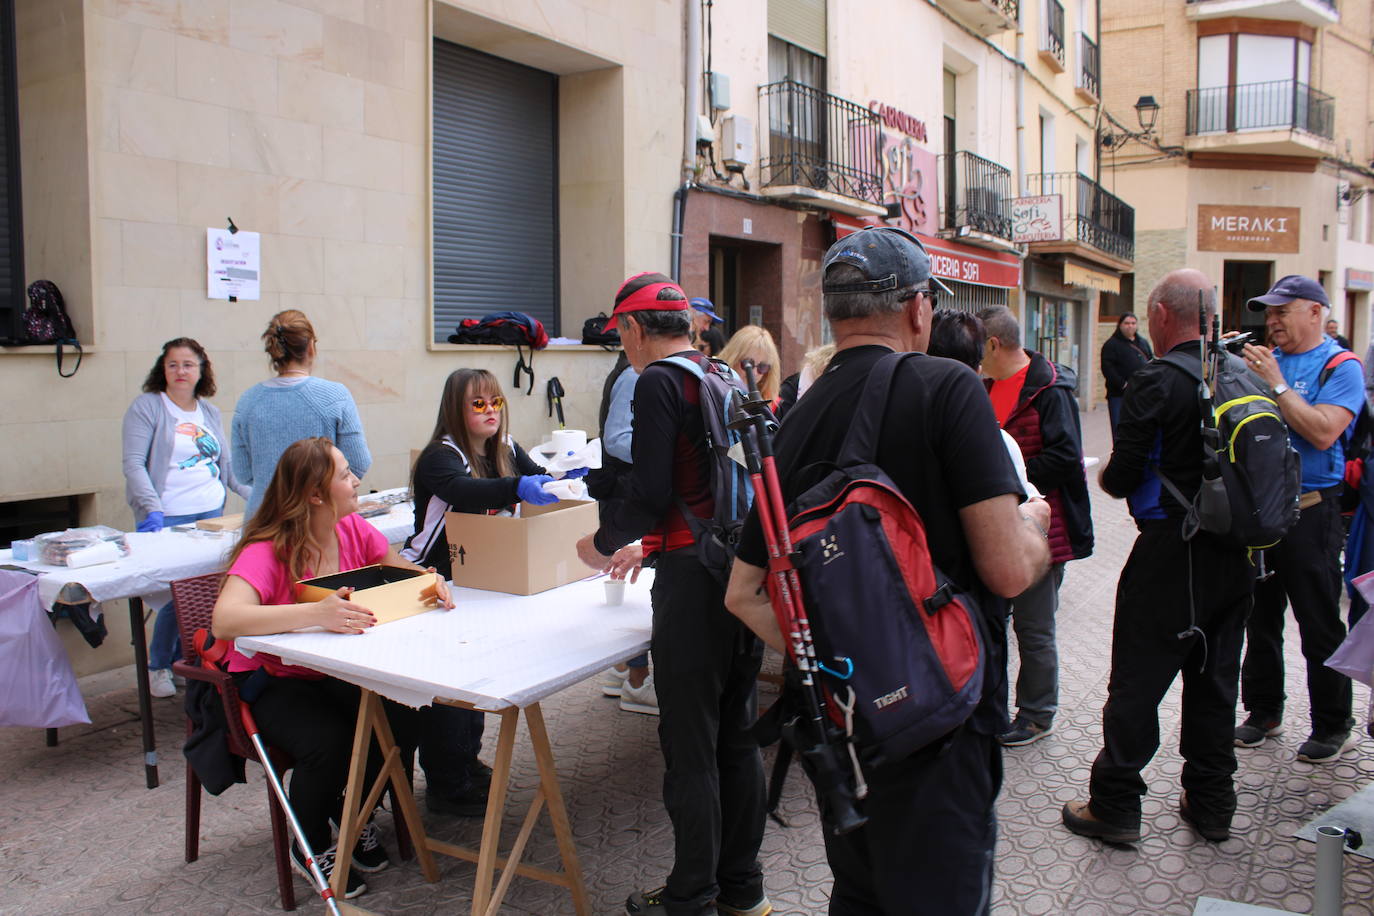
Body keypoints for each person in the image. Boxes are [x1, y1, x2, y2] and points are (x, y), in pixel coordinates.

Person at [724, 227, 1051, 914]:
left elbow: (743, 592)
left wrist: (858, 666)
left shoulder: (798, 414)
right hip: (946, 720)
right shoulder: (949, 388)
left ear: (835, 316)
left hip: (850, 727)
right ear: (916, 308)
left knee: (861, 894)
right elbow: (1008, 572)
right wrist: (1039, 529)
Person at [574, 272, 769, 916]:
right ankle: (743, 889)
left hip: (691, 587)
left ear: (632, 328)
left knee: (689, 746)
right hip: (738, 575)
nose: (622, 349)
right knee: (734, 737)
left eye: (619, 336)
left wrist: (604, 540)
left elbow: (654, 492)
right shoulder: (722, 375)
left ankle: (691, 896)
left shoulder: (659, 381)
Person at [1060, 270, 1256, 846]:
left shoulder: (1156, 379)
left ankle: (1115, 804)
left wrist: (1106, 476)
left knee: (1137, 683)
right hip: (1237, 556)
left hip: (1172, 553)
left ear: (1164, 316)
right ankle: (1212, 802)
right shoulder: (1242, 373)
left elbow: (1123, 477)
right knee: (1216, 681)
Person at [212, 437, 451, 898]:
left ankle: (353, 813)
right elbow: (225, 619)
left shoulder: (354, 530)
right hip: (273, 679)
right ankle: (311, 844)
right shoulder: (269, 549)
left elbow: (396, 568)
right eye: (344, 474)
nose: (356, 480)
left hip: (338, 671)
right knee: (330, 741)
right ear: (316, 495)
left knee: (403, 718)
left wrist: (431, 582)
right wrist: (314, 613)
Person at [401, 368, 566, 815]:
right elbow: (464, 491)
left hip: (482, 575)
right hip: (433, 578)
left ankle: (465, 761)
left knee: (473, 674)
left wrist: (565, 480)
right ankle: (445, 782)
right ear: (456, 409)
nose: (491, 411)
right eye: (479, 404)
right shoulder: (440, 456)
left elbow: (541, 477)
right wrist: (519, 487)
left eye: (496, 402)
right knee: (447, 684)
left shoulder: (507, 449)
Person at [1235, 275, 1363, 762]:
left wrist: (1278, 385)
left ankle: (1333, 723)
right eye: (1268, 313)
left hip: (1312, 514)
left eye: (1281, 311)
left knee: (1318, 622)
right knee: (1259, 618)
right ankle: (1263, 711)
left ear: (1315, 312)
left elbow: (1325, 431)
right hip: (1264, 513)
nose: (1271, 322)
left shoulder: (1339, 365)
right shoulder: (1268, 362)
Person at [978, 305, 1094, 747]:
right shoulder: (984, 386)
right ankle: (994, 708)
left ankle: (1036, 713)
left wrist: (1010, 480)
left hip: (1044, 532)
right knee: (995, 625)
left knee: (1034, 628)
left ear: (992, 344)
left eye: (977, 345)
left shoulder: (1049, 388)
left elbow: (1066, 458)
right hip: (997, 528)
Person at [122, 338, 249, 698]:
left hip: (209, 515)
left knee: (200, 593)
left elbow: (226, 467)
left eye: (188, 364)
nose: (180, 371)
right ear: (162, 369)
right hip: (167, 516)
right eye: (173, 364)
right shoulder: (148, 407)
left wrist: (258, 495)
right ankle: (157, 665)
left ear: (201, 371)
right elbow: (133, 463)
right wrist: (152, 508)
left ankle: (183, 662)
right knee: (173, 597)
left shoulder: (208, 412)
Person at [232, 310, 371, 517]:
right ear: (312, 347)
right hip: (320, 519)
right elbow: (358, 462)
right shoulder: (334, 396)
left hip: (263, 518)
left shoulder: (248, 400)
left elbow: (243, 473)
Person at [589, 349, 657, 715]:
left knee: (633, 582)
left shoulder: (639, 372)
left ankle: (623, 674)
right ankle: (636, 679)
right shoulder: (635, 374)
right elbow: (615, 438)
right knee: (634, 586)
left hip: (628, 490)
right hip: (627, 493)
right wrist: (661, 451)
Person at [1100, 313, 1154, 439]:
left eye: (1133, 323)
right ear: (1120, 325)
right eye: (1127, 323)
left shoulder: (1143, 343)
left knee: (1140, 428)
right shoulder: (1111, 344)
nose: (1130, 326)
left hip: (1141, 394)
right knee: (1119, 427)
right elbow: (1108, 368)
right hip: (1119, 395)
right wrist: (1123, 384)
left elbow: (1151, 363)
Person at [718, 325, 782, 406]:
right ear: (733, 358)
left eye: (762, 367)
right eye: (747, 364)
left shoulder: (774, 405)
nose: (754, 373)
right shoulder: (713, 394)